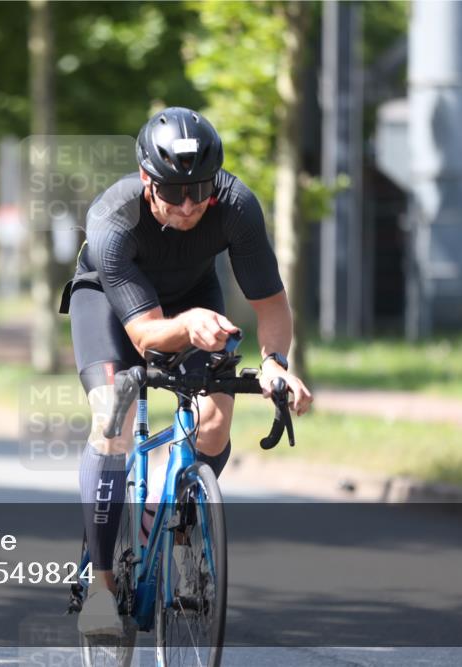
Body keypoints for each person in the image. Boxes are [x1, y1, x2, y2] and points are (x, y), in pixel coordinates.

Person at [59, 107, 313, 635]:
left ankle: (173, 519)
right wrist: (189, 325)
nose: (189, 205)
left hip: (194, 297)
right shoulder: (113, 218)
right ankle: (101, 585)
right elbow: (147, 336)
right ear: (146, 179)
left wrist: (275, 364)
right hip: (109, 304)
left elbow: (270, 302)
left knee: (215, 422)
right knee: (113, 421)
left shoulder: (236, 205)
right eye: (174, 192)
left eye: (200, 189)